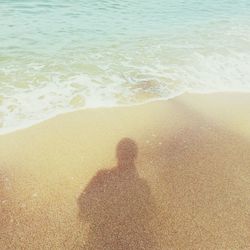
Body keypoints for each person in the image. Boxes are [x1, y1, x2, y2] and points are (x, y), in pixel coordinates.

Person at [78, 138, 157, 249]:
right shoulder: (104, 177)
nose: (124, 156)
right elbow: (83, 201)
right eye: (123, 153)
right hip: (108, 240)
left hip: (118, 241)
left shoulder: (140, 186)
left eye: (127, 153)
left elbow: (149, 215)